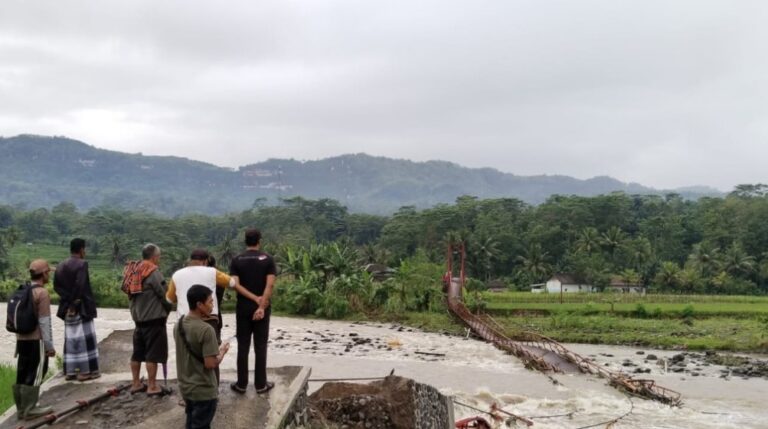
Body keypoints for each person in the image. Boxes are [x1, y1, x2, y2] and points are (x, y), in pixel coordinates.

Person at [166, 248, 257, 383]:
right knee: (212, 356)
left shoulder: (177, 275)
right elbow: (232, 283)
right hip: (208, 320)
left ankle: (188, 387)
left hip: (184, 323)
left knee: (186, 357)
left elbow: (169, 299)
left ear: (190, 260)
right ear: (205, 261)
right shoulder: (212, 272)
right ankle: (213, 387)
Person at [175, 285, 230, 429]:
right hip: (203, 392)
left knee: (191, 423)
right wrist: (222, 351)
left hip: (186, 388)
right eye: (210, 302)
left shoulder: (178, 325)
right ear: (199, 304)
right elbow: (210, 364)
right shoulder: (206, 330)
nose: (212, 306)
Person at [229, 228, 276, 394]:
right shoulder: (268, 259)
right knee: (260, 346)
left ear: (245, 241)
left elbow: (235, 285)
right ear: (259, 241)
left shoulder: (236, 260)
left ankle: (241, 384)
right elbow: (270, 285)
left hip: (243, 308)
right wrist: (261, 305)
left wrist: (254, 298)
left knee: (243, 346)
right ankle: (260, 385)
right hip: (262, 307)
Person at [13, 260, 56, 420]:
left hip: (20, 340)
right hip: (36, 341)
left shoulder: (23, 290)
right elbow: (44, 322)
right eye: (48, 272)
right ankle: (30, 409)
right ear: (44, 274)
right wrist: (49, 346)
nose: (49, 275)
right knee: (36, 373)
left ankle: (21, 409)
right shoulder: (42, 293)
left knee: (22, 372)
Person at [53, 238, 99, 381]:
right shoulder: (82, 264)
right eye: (84, 249)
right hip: (80, 307)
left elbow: (56, 287)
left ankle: (70, 372)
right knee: (85, 338)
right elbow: (80, 285)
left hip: (66, 307)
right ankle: (85, 372)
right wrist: (74, 303)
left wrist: (68, 301)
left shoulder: (61, 265)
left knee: (71, 338)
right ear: (81, 249)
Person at [129, 243, 171, 396]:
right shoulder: (152, 271)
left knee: (137, 353)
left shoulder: (133, 270)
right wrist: (168, 310)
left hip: (138, 319)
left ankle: (136, 383)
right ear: (154, 257)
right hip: (153, 319)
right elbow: (165, 295)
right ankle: (152, 386)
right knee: (152, 354)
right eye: (158, 257)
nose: (159, 259)